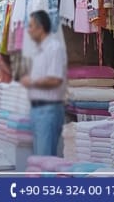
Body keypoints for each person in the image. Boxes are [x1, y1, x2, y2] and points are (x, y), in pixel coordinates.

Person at [20, 10, 67, 156]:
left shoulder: (54, 48)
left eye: (31, 26)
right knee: (39, 160)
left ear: (40, 28)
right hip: (37, 110)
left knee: (44, 159)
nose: (28, 30)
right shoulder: (38, 50)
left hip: (48, 110)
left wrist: (31, 82)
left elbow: (55, 79)